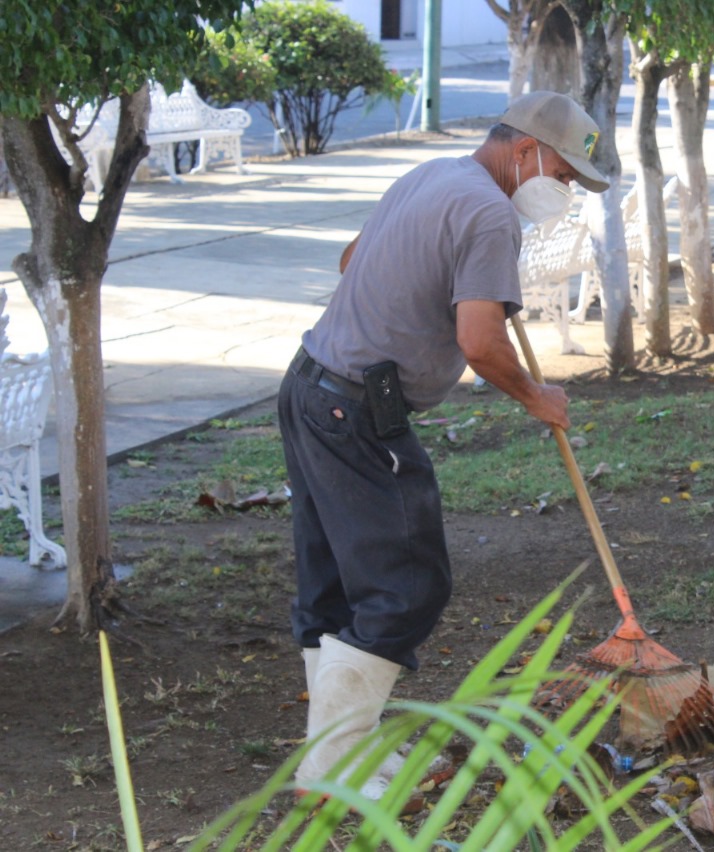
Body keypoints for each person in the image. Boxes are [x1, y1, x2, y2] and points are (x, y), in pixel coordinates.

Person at [277, 91, 609, 799]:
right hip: (353, 409)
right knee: (407, 585)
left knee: (335, 580)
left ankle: (345, 746)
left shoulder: (432, 175)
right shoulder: (489, 213)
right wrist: (536, 396)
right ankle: (331, 766)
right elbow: (480, 342)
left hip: (309, 386)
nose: (566, 191)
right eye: (565, 175)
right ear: (526, 151)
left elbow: (351, 259)